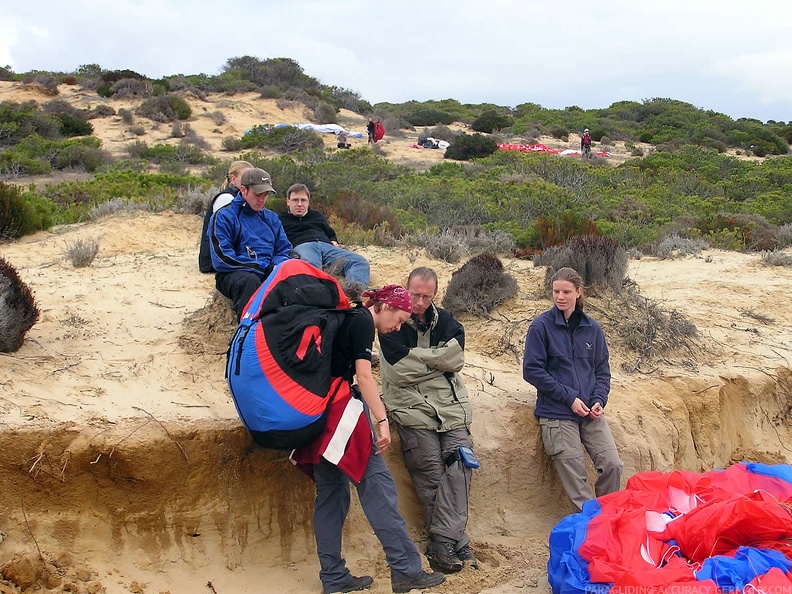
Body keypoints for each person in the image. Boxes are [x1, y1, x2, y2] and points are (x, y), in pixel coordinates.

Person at [290, 285, 446, 594]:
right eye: (399, 319)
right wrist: (382, 419)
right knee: (379, 489)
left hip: (317, 416)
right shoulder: (362, 321)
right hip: (341, 414)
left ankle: (333, 578)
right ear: (385, 307)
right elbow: (364, 377)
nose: (397, 327)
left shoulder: (345, 316)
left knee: (331, 497)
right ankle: (406, 570)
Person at [378, 267, 478, 573]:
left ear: (435, 293)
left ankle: (443, 540)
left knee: (462, 463)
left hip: (450, 407)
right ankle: (453, 542)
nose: (420, 301)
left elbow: (456, 360)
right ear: (405, 288)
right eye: (414, 294)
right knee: (430, 468)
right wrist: (437, 362)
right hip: (411, 409)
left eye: (427, 295)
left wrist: (416, 356)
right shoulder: (391, 322)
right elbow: (397, 372)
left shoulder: (447, 321)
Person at [522, 267, 623, 511]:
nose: (560, 297)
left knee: (613, 465)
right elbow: (532, 371)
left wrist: (599, 399)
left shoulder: (593, 328)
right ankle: (590, 525)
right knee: (576, 476)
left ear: (578, 293)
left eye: (566, 292)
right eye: (556, 291)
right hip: (557, 413)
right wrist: (569, 399)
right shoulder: (541, 327)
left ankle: (606, 517)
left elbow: (602, 371)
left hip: (590, 412)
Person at [208, 168, 292, 320]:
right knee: (250, 281)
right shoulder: (223, 216)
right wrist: (263, 268)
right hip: (234, 273)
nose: (262, 199)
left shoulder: (271, 218)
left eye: (265, 195)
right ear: (243, 190)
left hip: (270, 269)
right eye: (258, 194)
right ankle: (247, 332)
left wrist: (277, 267)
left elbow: (285, 250)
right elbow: (222, 258)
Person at [278, 184, 370, 293]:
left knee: (359, 261)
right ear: (288, 202)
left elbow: (330, 232)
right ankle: (319, 294)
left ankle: (355, 291)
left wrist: (334, 240)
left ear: (308, 202)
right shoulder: (280, 219)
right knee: (310, 266)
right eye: (295, 200)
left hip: (326, 246)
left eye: (303, 200)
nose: (299, 204)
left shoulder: (316, 216)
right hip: (303, 246)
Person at [198, 160, 253, 273]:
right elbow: (225, 233)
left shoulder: (242, 197)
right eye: (246, 177)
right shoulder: (226, 198)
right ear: (233, 179)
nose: (250, 181)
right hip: (217, 258)